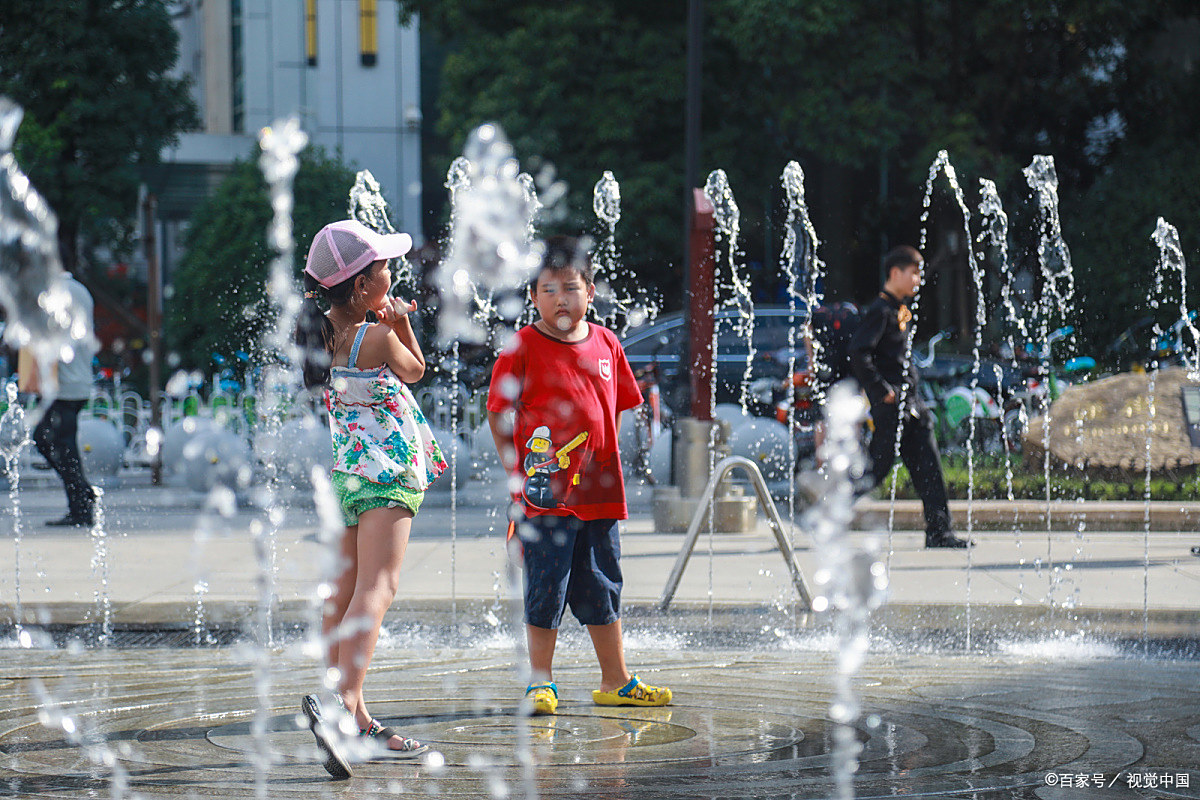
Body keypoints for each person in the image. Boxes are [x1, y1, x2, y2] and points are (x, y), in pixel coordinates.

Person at [487, 236, 673, 716]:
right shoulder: (522, 347)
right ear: (533, 297)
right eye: (548, 290)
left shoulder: (607, 343)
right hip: (545, 495)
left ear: (590, 291)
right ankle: (540, 682)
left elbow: (618, 406)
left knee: (603, 583)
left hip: (600, 493)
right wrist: (515, 474)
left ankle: (616, 680)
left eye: (570, 288)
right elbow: (498, 411)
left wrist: (606, 460)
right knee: (546, 585)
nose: (560, 299)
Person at [294, 219, 446, 778]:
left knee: (345, 590)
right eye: (384, 268)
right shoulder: (377, 337)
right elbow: (417, 370)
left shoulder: (325, 337)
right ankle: (340, 707)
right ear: (361, 285)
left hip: (349, 475)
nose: (392, 274)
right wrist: (402, 324)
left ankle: (352, 714)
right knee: (378, 588)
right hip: (388, 475)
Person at [849, 246, 972, 549]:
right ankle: (828, 512)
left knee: (930, 467)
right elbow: (859, 353)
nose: (918, 279)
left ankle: (940, 532)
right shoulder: (880, 311)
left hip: (912, 405)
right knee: (876, 468)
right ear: (895, 273)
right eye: (914, 272)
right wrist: (882, 391)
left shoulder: (899, 309)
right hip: (892, 408)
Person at [29, 271, 97, 527]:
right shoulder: (81, 290)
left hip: (62, 384)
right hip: (78, 380)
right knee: (64, 445)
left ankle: (83, 498)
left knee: (49, 440)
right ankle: (80, 502)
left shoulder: (54, 293)